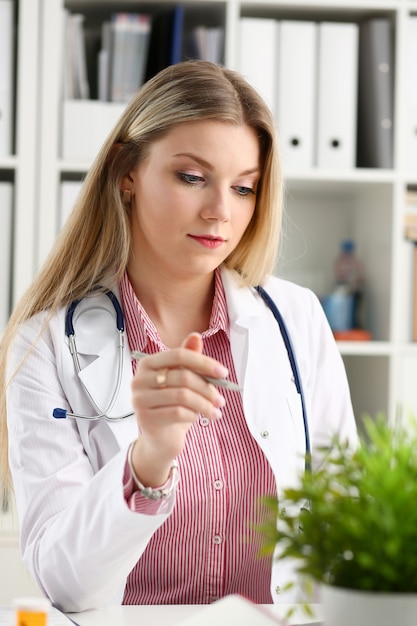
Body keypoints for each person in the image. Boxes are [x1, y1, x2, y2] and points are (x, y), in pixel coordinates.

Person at [0, 60, 357, 612]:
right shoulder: (42, 344)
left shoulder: (297, 320)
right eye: (192, 177)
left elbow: (349, 519)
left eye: (244, 188)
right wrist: (148, 460)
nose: (220, 211)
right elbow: (65, 584)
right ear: (127, 172)